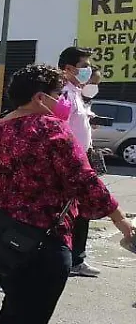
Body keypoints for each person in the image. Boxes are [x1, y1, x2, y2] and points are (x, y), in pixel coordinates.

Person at [0, 64, 133, 324]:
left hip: (0, 238)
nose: (63, 102)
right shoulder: (50, 130)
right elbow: (85, 181)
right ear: (39, 97)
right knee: (30, 316)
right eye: (59, 95)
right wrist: (122, 222)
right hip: (44, 239)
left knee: (15, 308)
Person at [56, 46, 102, 277]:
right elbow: (60, 128)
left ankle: (75, 257)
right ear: (68, 69)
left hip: (82, 159)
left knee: (80, 211)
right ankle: (70, 258)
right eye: (84, 66)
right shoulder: (64, 93)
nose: (88, 71)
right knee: (72, 212)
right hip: (71, 163)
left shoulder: (76, 93)